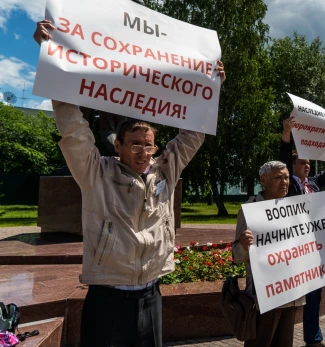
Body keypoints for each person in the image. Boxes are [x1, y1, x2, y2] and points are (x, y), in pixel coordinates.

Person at [34, 17, 225, 347]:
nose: (143, 151)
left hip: (151, 295)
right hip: (107, 298)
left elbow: (194, 133)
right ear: (117, 145)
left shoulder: (166, 171)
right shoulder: (97, 173)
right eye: (135, 143)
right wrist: (53, 61)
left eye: (148, 144)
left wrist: (212, 87)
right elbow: (74, 131)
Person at [232, 161, 325, 347]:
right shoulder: (250, 211)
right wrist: (243, 246)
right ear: (263, 180)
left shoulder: (296, 208)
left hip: (291, 294)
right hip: (264, 298)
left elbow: (309, 240)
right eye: (278, 178)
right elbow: (237, 257)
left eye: (286, 177)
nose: (284, 182)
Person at [34, 0, 148, 157]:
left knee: (105, 128)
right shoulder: (95, 19)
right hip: (93, 76)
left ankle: (123, 161)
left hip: (117, 77)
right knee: (83, 125)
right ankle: (119, 161)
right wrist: (49, 42)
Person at [279, 115, 325, 347]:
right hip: (295, 247)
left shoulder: (315, 183)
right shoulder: (290, 185)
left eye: (309, 162)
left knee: (315, 295)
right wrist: (286, 134)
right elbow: (283, 157)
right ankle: (280, 339)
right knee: (289, 297)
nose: (307, 165)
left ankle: (313, 339)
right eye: (302, 162)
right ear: (292, 167)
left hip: (315, 248)